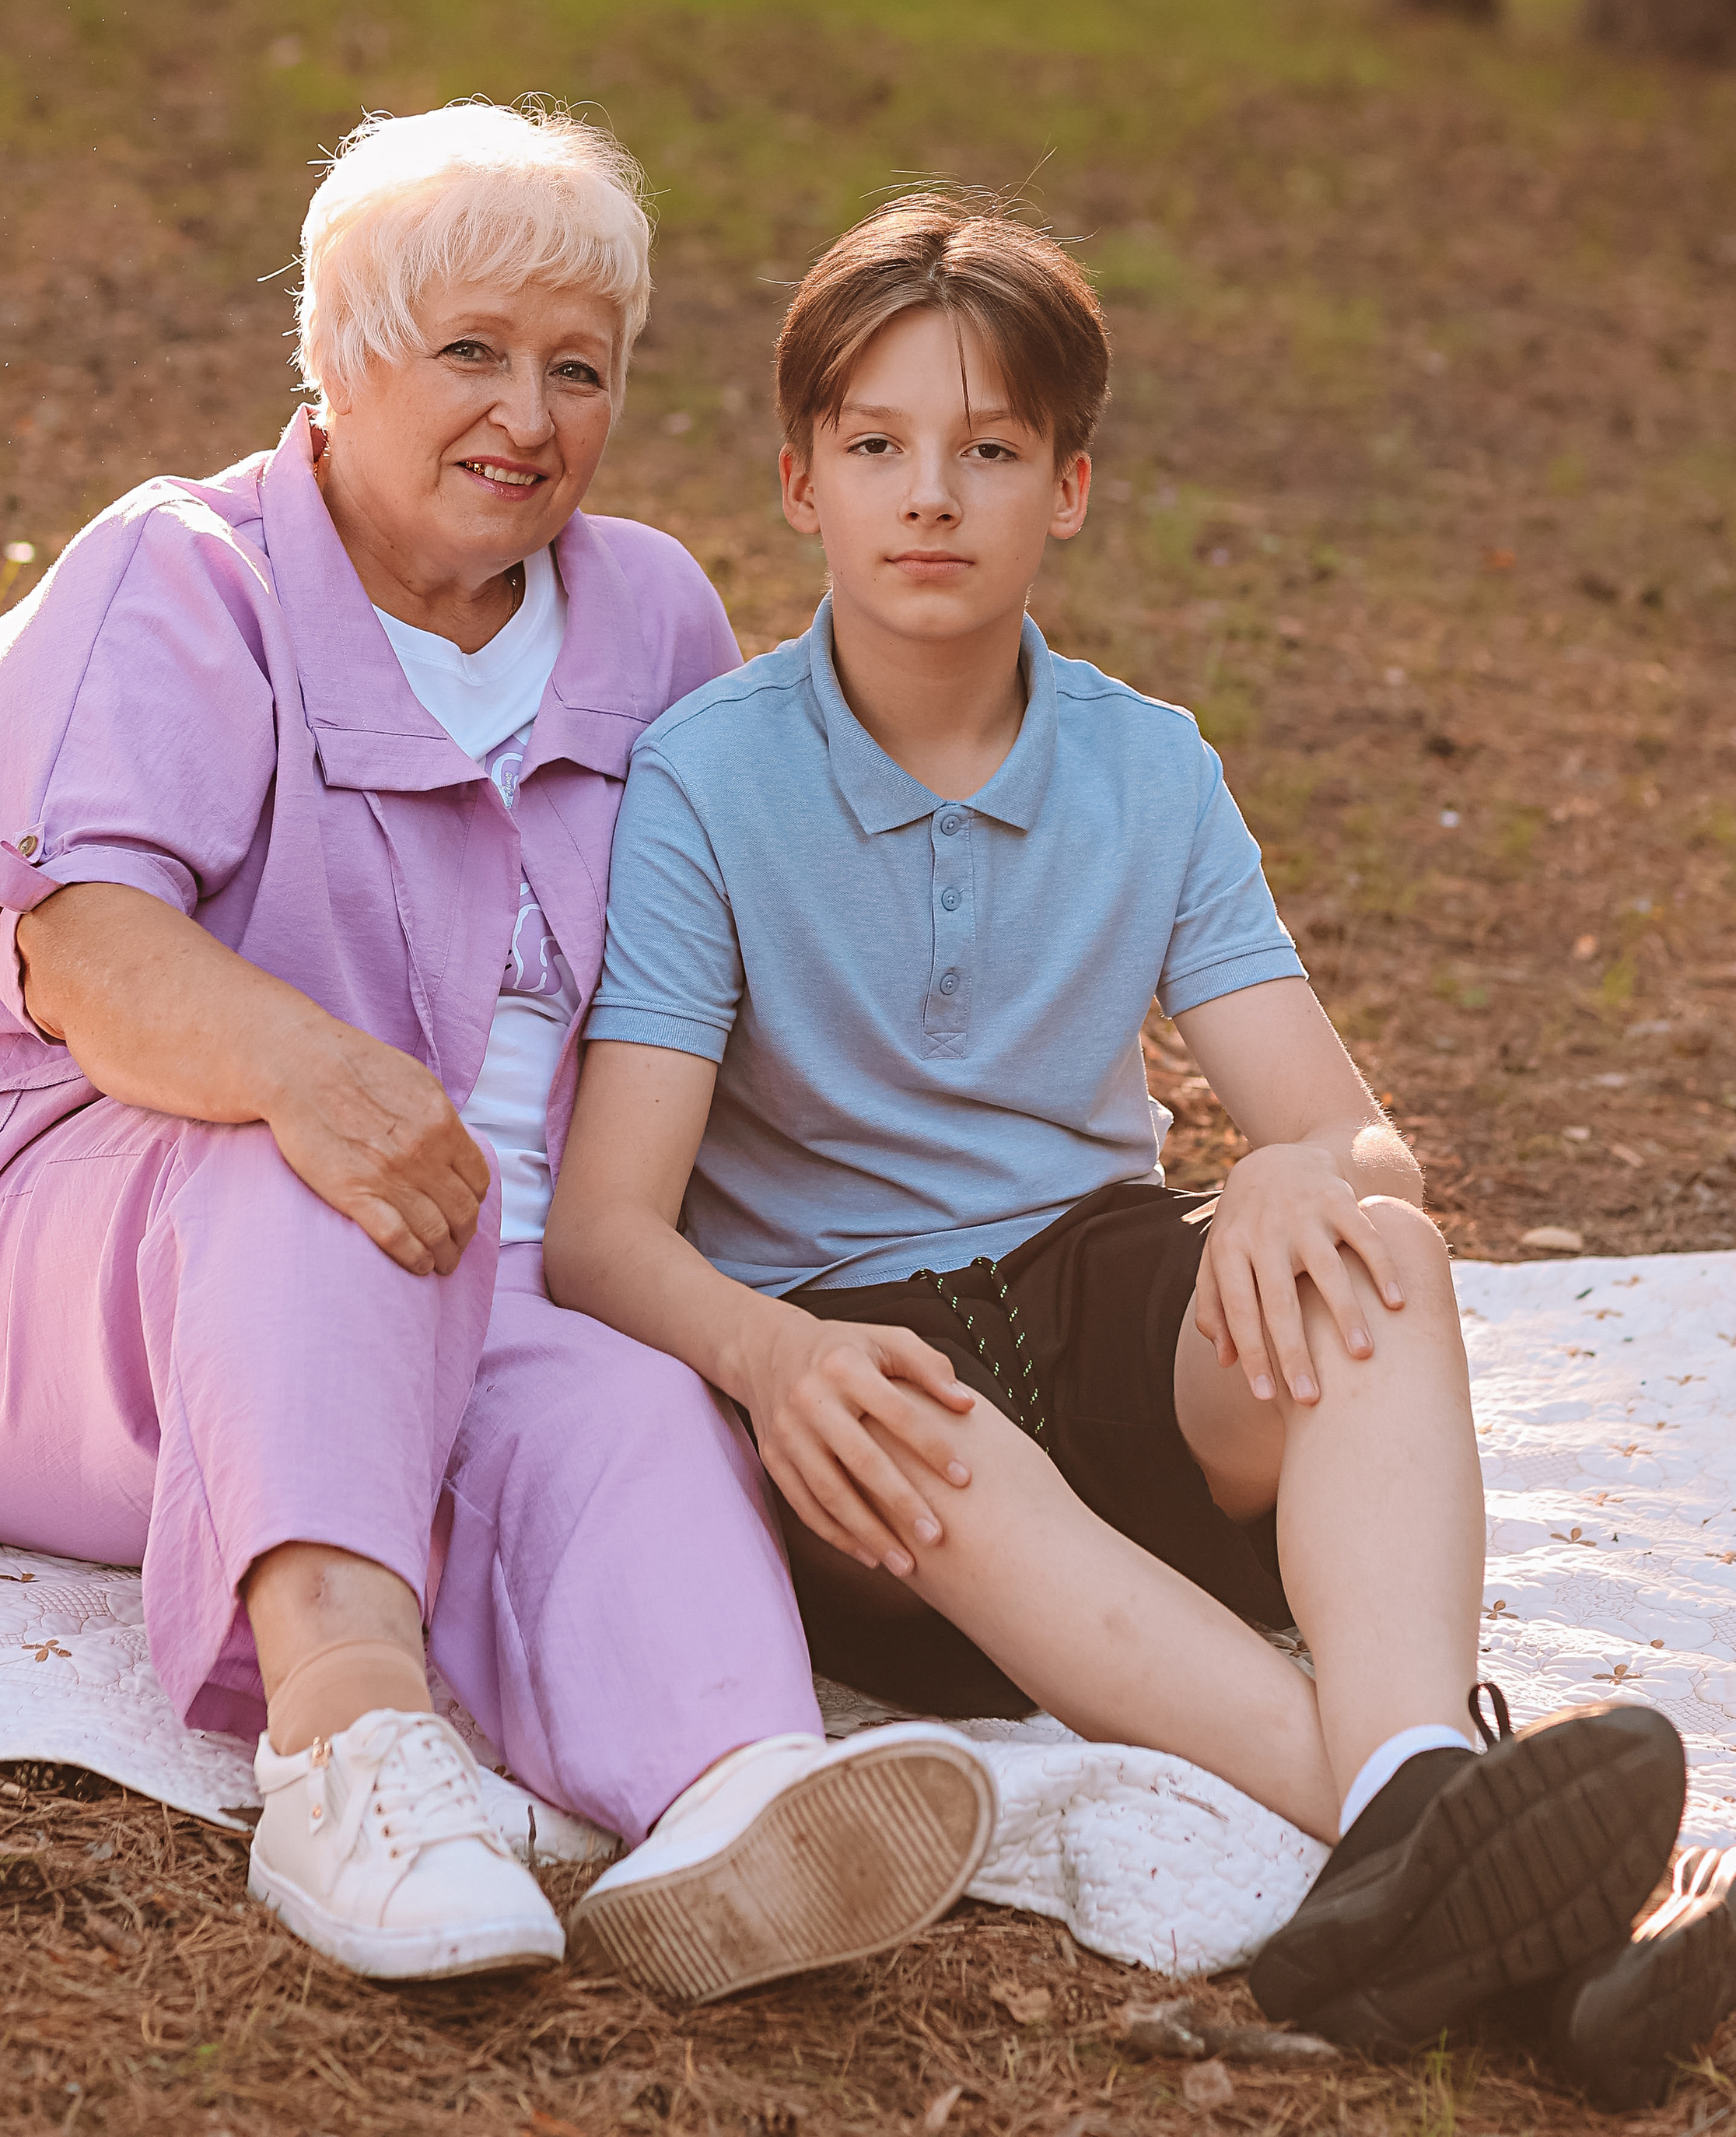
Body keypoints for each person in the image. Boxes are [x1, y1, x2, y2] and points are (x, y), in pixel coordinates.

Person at [0, 112, 996, 2002]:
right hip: (47, 1282)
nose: (528, 412)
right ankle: (347, 1751)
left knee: (625, 1407)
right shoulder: (181, 575)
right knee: (330, 1148)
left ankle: (738, 1805)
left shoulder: (652, 616)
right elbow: (82, 947)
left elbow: (728, 981)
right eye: (471, 352)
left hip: (473, 1286)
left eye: (576, 368)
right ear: (337, 358)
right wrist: (309, 1073)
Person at [546, 191, 1722, 2085]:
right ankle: (1460, 1866)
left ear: (1065, 489)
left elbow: (1356, 1144)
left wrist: (1285, 1172)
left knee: (1376, 1262)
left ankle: (1410, 1822)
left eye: (987, 451)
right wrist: (772, 1360)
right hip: (870, 1395)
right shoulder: (707, 777)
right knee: (928, 1425)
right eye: (875, 447)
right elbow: (601, 1228)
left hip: (1101, 1312)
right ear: (797, 485)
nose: (928, 496)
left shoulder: (1146, 766)